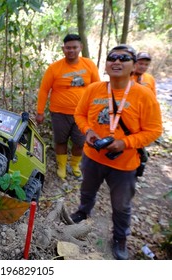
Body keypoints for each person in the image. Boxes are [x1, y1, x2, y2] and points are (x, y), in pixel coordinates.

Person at [71, 44, 162, 260]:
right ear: (106, 64)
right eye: (113, 57)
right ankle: (83, 212)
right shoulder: (93, 89)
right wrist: (89, 131)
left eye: (124, 58)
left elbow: (154, 130)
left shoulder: (144, 95)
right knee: (87, 190)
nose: (117, 61)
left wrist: (126, 143)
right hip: (93, 156)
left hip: (124, 164)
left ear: (133, 66)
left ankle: (120, 238)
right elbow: (80, 114)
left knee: (121, 205)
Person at [35, 34, 100, 180]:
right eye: (68, 48)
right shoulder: (54, 68)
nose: (71, 50)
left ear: (80, 48)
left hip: (82, 114)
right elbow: (44, 90)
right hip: (59, 112)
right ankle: (62, 166)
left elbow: (97, 88)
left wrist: (97, 110)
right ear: (63, 49)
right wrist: (40, 112)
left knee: (80, 141)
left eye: (74, 47)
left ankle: (75, 165)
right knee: (60, 140)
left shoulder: (89, 65)